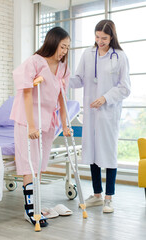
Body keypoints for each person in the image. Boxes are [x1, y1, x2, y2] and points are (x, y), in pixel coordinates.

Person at [10, 26, 71, 227]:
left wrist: (65, 123)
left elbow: (62, 98)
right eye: (62, 46)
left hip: (47, 121)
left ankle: (37, 204)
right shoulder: (35, 62)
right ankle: (30, 211)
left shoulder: (62, 67)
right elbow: (26, 93)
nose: (64, 51)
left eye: (67, 48)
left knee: (39, 165)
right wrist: (30, 126)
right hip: (28, 119)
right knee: (30, 163)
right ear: (52, 42)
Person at [69, 19, 131, 213]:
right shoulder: (88, 54)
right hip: (90, 112)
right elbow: (78, 79)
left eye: (104, 38)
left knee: (109, 153)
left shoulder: (120, 56)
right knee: (93, 151)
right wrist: (60, 79)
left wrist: (105, 98)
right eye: (97, 37)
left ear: (112, 37)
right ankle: (96, 195)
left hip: (108, 112)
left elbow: (125, 87)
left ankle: (108, 198)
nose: (100, 41)